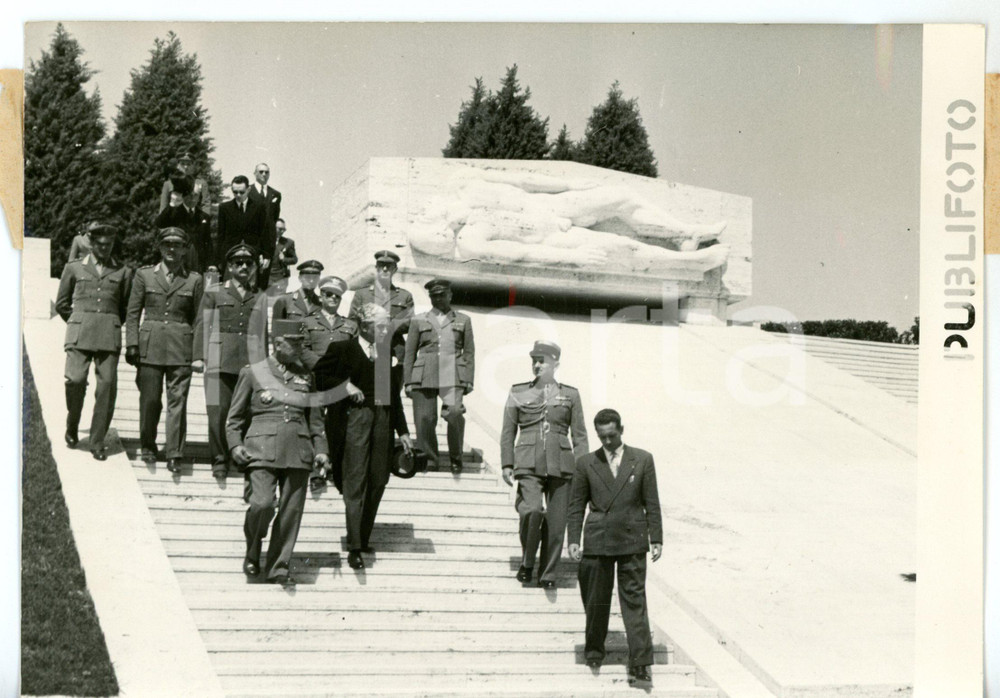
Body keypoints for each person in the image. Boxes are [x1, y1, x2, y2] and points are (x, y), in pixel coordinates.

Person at [226, 319, 330, 586]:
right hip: (261, 448)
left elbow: (316, 420)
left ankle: (278, 567)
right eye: (293, 343)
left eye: (300, 343)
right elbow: (234, 418)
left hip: (298, 449)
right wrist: (235, 445)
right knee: (261, 504)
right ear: (277, 343)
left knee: (290, 512)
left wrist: (322, 450)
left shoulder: (307, 377)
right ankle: (253, 547)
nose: (299, 348)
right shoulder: (253, 372)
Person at [313, 303, 413, 570]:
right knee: (355, 481)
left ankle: (363, 537)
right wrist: (344, 386)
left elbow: (392, 395)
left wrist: (403, 430)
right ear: (365, 326)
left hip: (383, 420)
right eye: (382, 326)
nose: (386, 330)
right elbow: (318, 378)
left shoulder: (385, 353)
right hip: (355, 420)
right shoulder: (342, 348)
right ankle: (355, 546)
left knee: (378, 479)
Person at [567, 408, 662, 685]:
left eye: (612, 435)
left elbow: (652, 502)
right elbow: (576, 505)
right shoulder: (586, 463)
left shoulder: (642, 459)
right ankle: (594, 651)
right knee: (596, 599)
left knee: (634, 601)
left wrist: (656, 538)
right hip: (598, 539)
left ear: (621, 429)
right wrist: (573, 539)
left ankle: (641, 663)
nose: (607, 442)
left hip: (632, 539)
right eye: (602, 437)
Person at [500, 340, 588, 588]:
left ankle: (547, 574)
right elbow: (508, 431)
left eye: (542, 361)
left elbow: (580, 436)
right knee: (531, 510)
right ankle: (528, 562)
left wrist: (582, 470)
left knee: (557, 523)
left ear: (555, 364)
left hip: (562, 464)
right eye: (534, 361)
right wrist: (507, 463)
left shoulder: (571, 395)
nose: (537, 365)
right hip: (528, 462)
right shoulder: (518, 392)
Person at [125, 227, 204, 473]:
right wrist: (132, 343)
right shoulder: (144, 275)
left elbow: (200, 319)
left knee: (177, 402)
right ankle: (148, 445)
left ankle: (174, 453)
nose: (171, 248)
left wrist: (198, 355)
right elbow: (133, 312)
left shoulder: (194, 280)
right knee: (150, 400)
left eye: (177, 245)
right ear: (160, 247)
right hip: (150, 346)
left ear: (185, 250)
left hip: (181, 347)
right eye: (167, 244)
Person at [55, 223, 132, 461]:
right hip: (80, 333)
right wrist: (78, 320)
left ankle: (97, 442)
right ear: (91, 244)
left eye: (109, 245)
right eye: (100, 245)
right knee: (75, 380)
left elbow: (125, 307)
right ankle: (72, 423)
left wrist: (109, 322)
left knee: (106, 386)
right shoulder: (74, 267)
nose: (105, 249)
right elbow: (62, 303)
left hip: (108, 335)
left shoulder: (123, 272)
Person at [192, 244, 268, 479]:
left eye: (248, 263)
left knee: (245, 411)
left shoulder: (260, 295)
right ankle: (219, 459)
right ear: (230, 267)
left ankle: (239, 456)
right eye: (238, 263)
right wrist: (198, 356)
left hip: (249, 361)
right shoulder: (214, 292)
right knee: (217, 411)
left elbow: (262, 333)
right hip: (218, 358)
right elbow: (203, 324)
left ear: (254, 267)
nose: (244, 267)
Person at [403, 278, 474, 474]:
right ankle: (429, 460)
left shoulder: (463, 320)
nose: (438, 299)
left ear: (450, 295)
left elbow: (469, 352)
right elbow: (410, 352)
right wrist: (408, 381)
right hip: (425, 372)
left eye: (442, 295)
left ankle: (456, 457)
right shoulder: (419, 320)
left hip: (453, 373)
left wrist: (468, 379)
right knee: (424, 418)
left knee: (455, 413)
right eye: (434, 296)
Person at [300, 275, 358, 492]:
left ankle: (334, 467)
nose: (333, 298)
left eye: (337, 296)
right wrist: (323, 367)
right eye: (328, 294)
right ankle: (316, 471)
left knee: (338, 424)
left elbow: (356, 352)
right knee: (315, 424)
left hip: (341, 383)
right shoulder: (308, 322)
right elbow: (302, 349)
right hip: (316, 381)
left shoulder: (350, 325)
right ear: (321, 296)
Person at [348, 250, 414, 384]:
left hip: (394, 349)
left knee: (392, 390)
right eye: (381, 265)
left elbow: (410, 322)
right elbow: (352, 321)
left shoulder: (404, 296)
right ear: (376, 268)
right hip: (366, 349)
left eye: (388, 266)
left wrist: (386, 325)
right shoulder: (362, 294)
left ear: (395, 269)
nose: (384, 269)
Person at [216, 174, 272, 286]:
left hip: (252, 255)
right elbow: (220, 235)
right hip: (231, 255)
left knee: (250, 289)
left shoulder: (259, 207)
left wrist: (266, 255)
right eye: (235, 192)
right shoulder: (224, 208)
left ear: (248, 189)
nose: (238, 195)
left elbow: (264, 233)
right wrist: (218, 260)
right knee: (229, 288)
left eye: (241, 192)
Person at [155, 175, 214, 275]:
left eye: (196, 195)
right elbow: (159, 223)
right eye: (190, 195)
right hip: (178, 262)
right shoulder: (174, 212)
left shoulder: (204, 217)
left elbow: (208, 242)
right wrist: (172, 204)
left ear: (199, 197)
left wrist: (211, 264)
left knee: (202, 283)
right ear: (184, 195)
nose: (193, 198)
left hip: (198, 263)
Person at [247, 163, 281, 289]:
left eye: (266, 172)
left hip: (268, 242)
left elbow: (274, 218)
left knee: (263, 279)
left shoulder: (275, 194)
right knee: (250, 277)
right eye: (261, 171)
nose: (264, 174)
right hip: (252, 240)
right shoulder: (248, 191)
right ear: (255, 173)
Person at [267, 218, 298, 295]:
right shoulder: (265, 241)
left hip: (280, 279)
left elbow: (294, 259)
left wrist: (284, 259)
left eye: (284, 229)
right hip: (266, 278)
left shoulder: (288, 242)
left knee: (279, 300)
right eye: (280, 229)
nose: (282, 231)